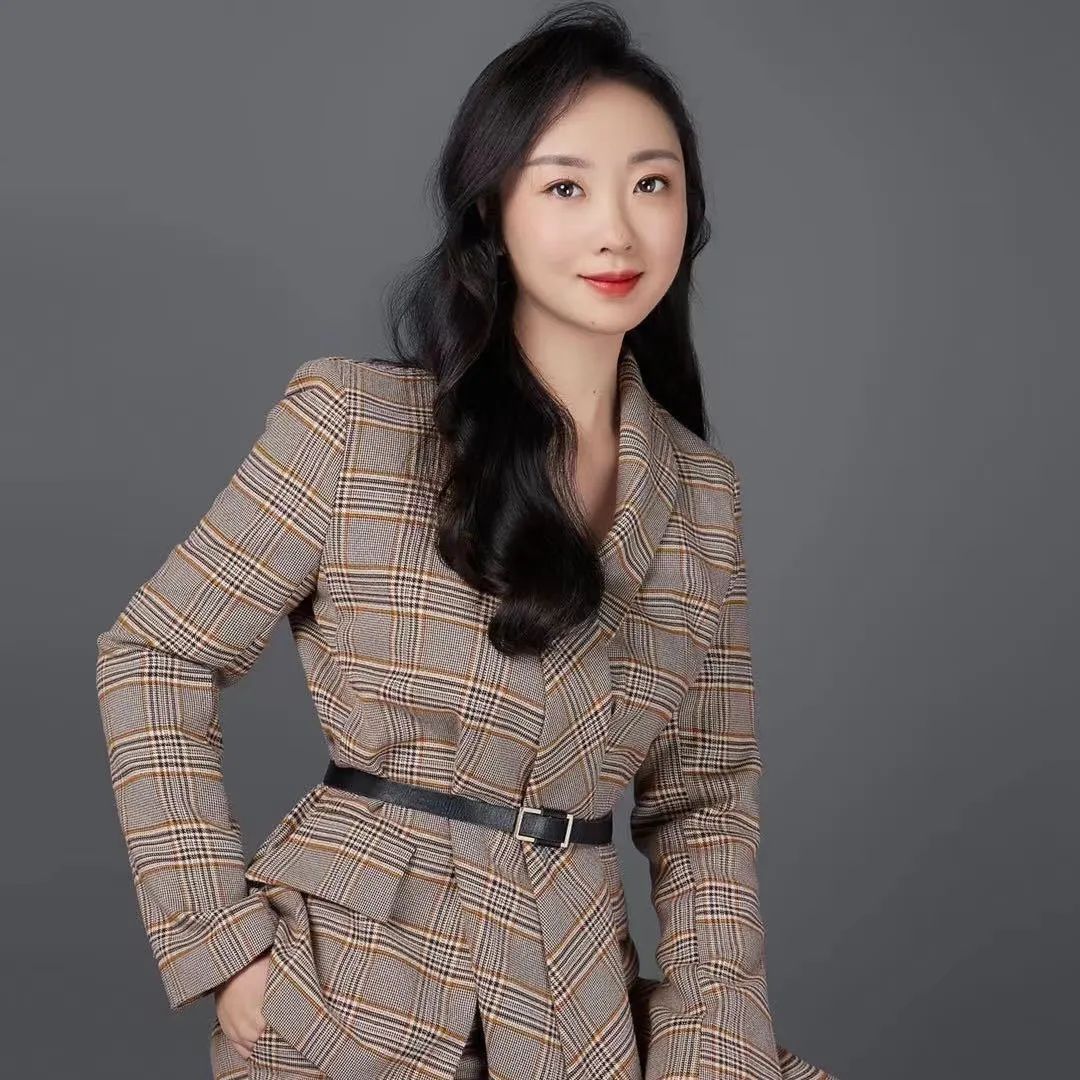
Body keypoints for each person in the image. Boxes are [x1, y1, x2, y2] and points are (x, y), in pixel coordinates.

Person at [95, 4, 837, 1078]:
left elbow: (706, 800)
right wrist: (226, 951)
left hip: (574, 1017)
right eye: (566, 186)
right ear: (494, 207)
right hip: (343, 1002)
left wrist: (710, 1049)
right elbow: (155, 654)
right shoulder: (355, 425)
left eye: (652, 184)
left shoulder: (701, 497)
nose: (617, 230)